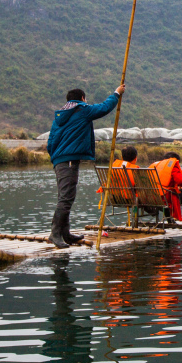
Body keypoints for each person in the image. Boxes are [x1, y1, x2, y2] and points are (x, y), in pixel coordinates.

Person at [46, 84, 125, 248]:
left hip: (59, 160)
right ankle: (55, 234)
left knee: (65, 197)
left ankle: (65, 234)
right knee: (66, 198)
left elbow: (51, 141)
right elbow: (103, 108)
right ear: (82, 98)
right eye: (85, 99)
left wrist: (55, 156)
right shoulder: (82, 110)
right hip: (68, 160)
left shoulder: (61, 115)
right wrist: (116, 93)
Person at [150, 151, 182, 225]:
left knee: (166, 193)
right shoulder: (172, 166)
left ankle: (169, 219)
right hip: (166, 199)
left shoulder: (156, 165)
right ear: (174, 160)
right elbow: (181, 181)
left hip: (153, 199)